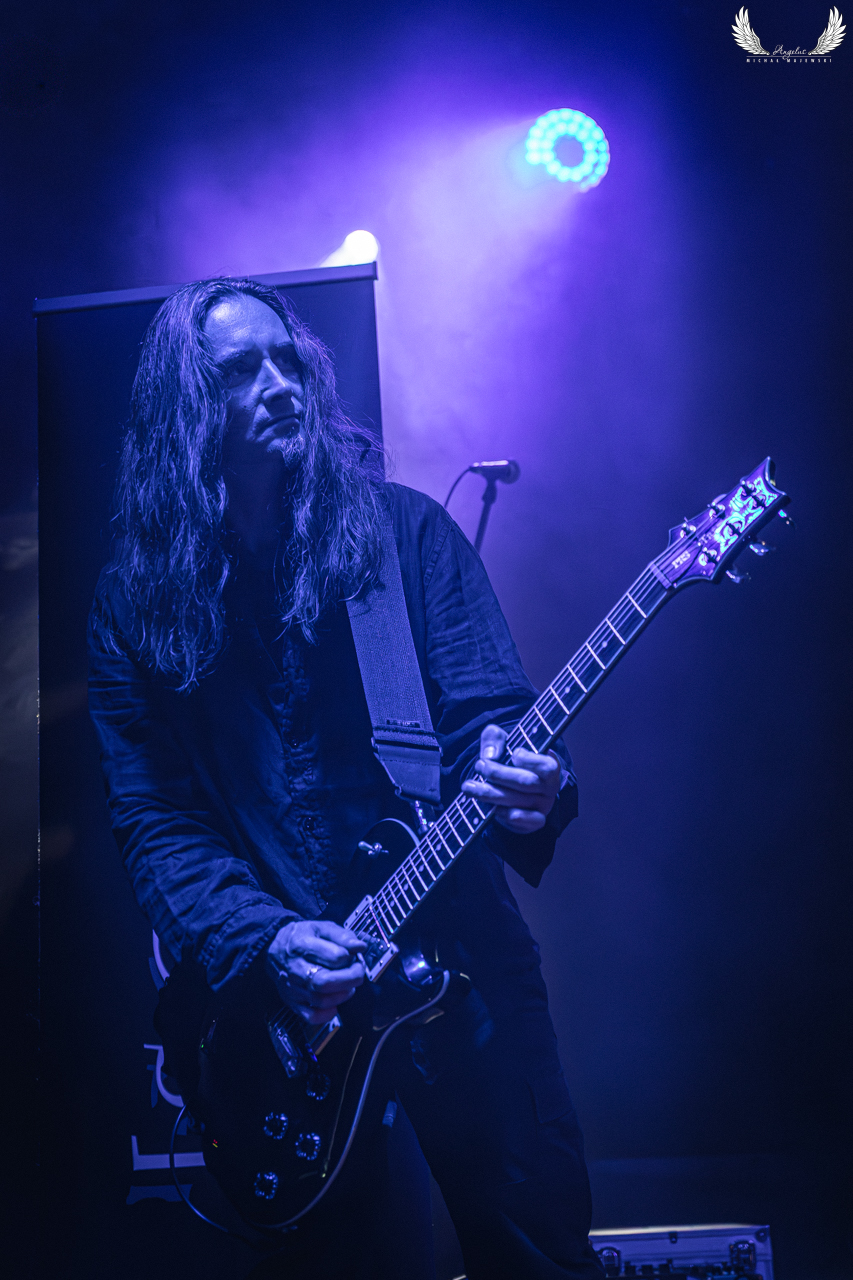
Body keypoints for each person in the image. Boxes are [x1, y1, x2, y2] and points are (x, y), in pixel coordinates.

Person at [88, 277, 604, 1279]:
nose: (279, 384)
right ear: (183, 411)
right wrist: (265, 939)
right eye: (240, 371)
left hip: (458, 967)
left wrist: (527, 782)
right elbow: (156, 820)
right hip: (286, 1020)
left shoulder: (402, 536)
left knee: (536, 1250)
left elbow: (487, 720)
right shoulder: (136, 604)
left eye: (288, 361)